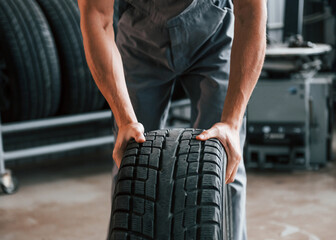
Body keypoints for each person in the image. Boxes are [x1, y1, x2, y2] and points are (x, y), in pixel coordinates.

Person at [78, 0, 266, 239]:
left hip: (212, 29)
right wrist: (125, 119)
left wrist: (232, 121)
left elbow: (250, 12)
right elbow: (97, 19)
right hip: (140, 37)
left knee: (226, 161)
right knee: (129, 158)